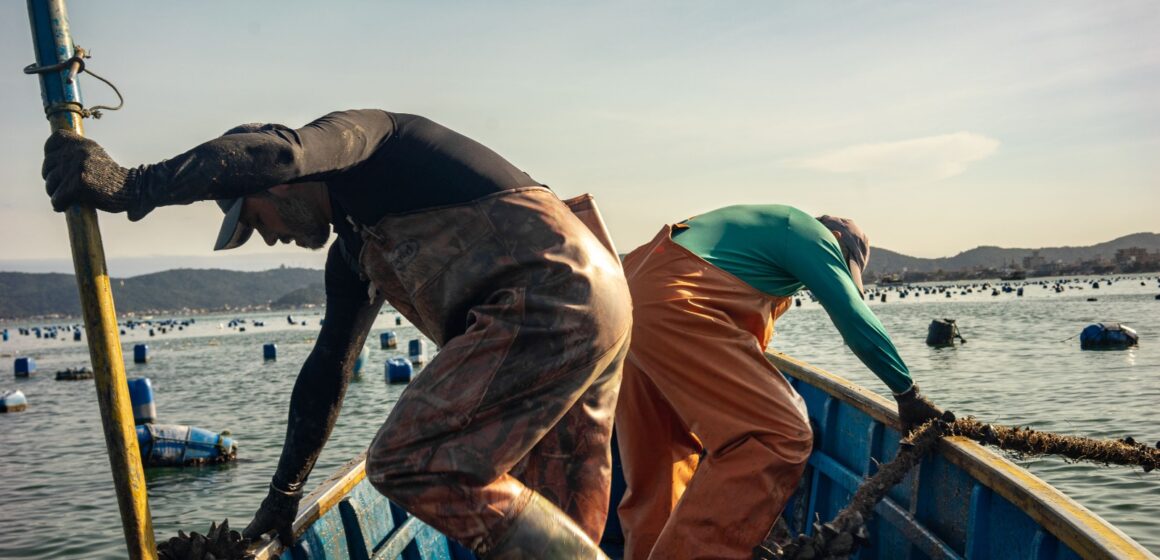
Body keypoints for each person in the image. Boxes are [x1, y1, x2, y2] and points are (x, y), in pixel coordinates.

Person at [41, 110, 631, 558]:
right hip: (599, 299)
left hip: (550, 295)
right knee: (561, 512)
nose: (268, 239)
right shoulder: (355, 250)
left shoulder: (365, 143)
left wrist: (131, 185)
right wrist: (283, 493)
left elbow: (278, 152)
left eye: (254, 221)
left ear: (271, 186)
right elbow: (329, 369)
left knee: (409, 458)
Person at [615, 204, 945, 560]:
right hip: (672, 298)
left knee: (662, 465)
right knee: (780, 435)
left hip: (626, 300)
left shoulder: (758, 253)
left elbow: (741, 344)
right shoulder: (808, 233)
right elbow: (853, 316)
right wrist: (906, 392)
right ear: (835, 240)